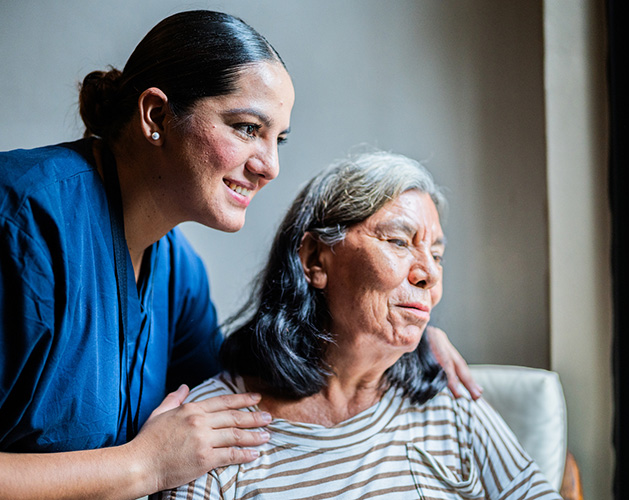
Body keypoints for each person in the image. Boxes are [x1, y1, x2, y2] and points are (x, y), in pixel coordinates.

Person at [0, 10, 478, 500]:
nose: (270, 165)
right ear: (156, 115)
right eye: (246, 128)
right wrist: (141, 465)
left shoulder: (175, 269)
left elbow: (246, 379)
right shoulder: (0, 223)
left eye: (277, 138)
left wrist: (396, 333)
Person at [160, 152, 562, 500]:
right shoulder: (217, 428)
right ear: (316, 259)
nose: (429, 274)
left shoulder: (448, 398)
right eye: (399, 241)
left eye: (436, 255)